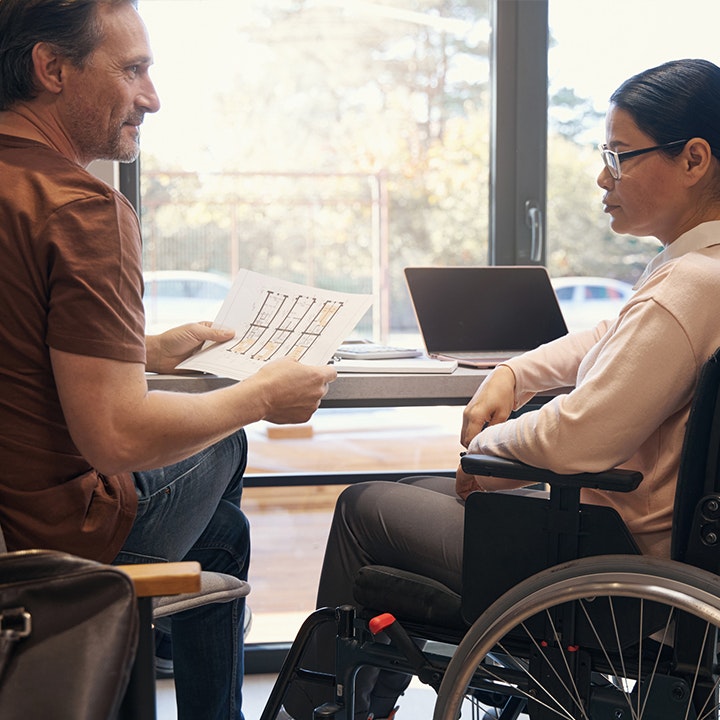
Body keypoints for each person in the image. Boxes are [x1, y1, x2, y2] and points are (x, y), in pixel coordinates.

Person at [281, 57, 720, 720]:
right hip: (654, 556)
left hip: (609, 566)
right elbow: (610, 336)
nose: (605, 177)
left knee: (367, 508)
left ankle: (324, 709)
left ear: (694, 158)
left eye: (620, 156)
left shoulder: (688, 288)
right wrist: (514, 373)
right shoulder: (696, 272)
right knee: (414, 503)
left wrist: (491, 451)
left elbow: (581, 436)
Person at [0, 1, 337, 719]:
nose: (151, 97)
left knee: (224, 534)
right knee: (227, 442)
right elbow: (116, 437)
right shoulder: (80, 205)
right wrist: (265, 395)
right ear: (50, 68)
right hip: (49, 543)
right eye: (133, 70)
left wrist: (140, 352)